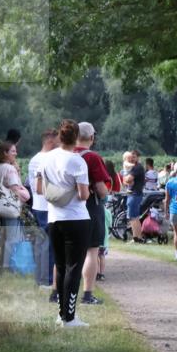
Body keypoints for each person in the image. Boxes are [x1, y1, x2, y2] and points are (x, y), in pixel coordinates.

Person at [37, 119, 91, 327]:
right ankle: (70, 317)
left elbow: (40, 188)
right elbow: (83, 194)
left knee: (60, 266)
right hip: (76, 218)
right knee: (74, 268)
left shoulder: (47, 158)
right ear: (76, 138)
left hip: (54, 218)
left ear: (59, 136)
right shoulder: (77, 161)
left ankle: (61, 315)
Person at [74, 122, 110, 305]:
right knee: (91, 251)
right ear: (92, 137)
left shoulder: (65, 155)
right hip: (89, 207)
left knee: (68, 253)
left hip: (66, 209)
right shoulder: (92, 157)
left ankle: (60, 292)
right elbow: (101, 189)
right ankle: (87, 294)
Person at [27, 129, 59, 290]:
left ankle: (39, 278)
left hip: (37, 205)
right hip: (47, 206)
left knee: (40, 244)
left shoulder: (34, 159)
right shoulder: (49, 158)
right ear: (50, 140)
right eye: (58, 139)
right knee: (50, 245)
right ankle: (47, 280)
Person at [0, 141, 31, 269]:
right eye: (13, 151)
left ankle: (5, 263)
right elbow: (15, 189)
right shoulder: (10, 168)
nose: (16, 153)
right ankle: (10, 266)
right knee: (13, 238)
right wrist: (25, 196)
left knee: (6, 236)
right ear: (5, 153)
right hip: (11, 207)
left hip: (1, 206)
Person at [126, 151, 146, 242]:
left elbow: (128, 179)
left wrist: (126, 179)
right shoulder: (136, 167)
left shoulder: (137, 167)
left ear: (138, 157)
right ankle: (138, 237)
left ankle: (136, 237)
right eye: (131, 157)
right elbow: (126, 180)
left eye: (134, 157)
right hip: (135, 194)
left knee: (133, 217)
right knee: (136, 217)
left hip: (134, 194)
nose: (132, 158)